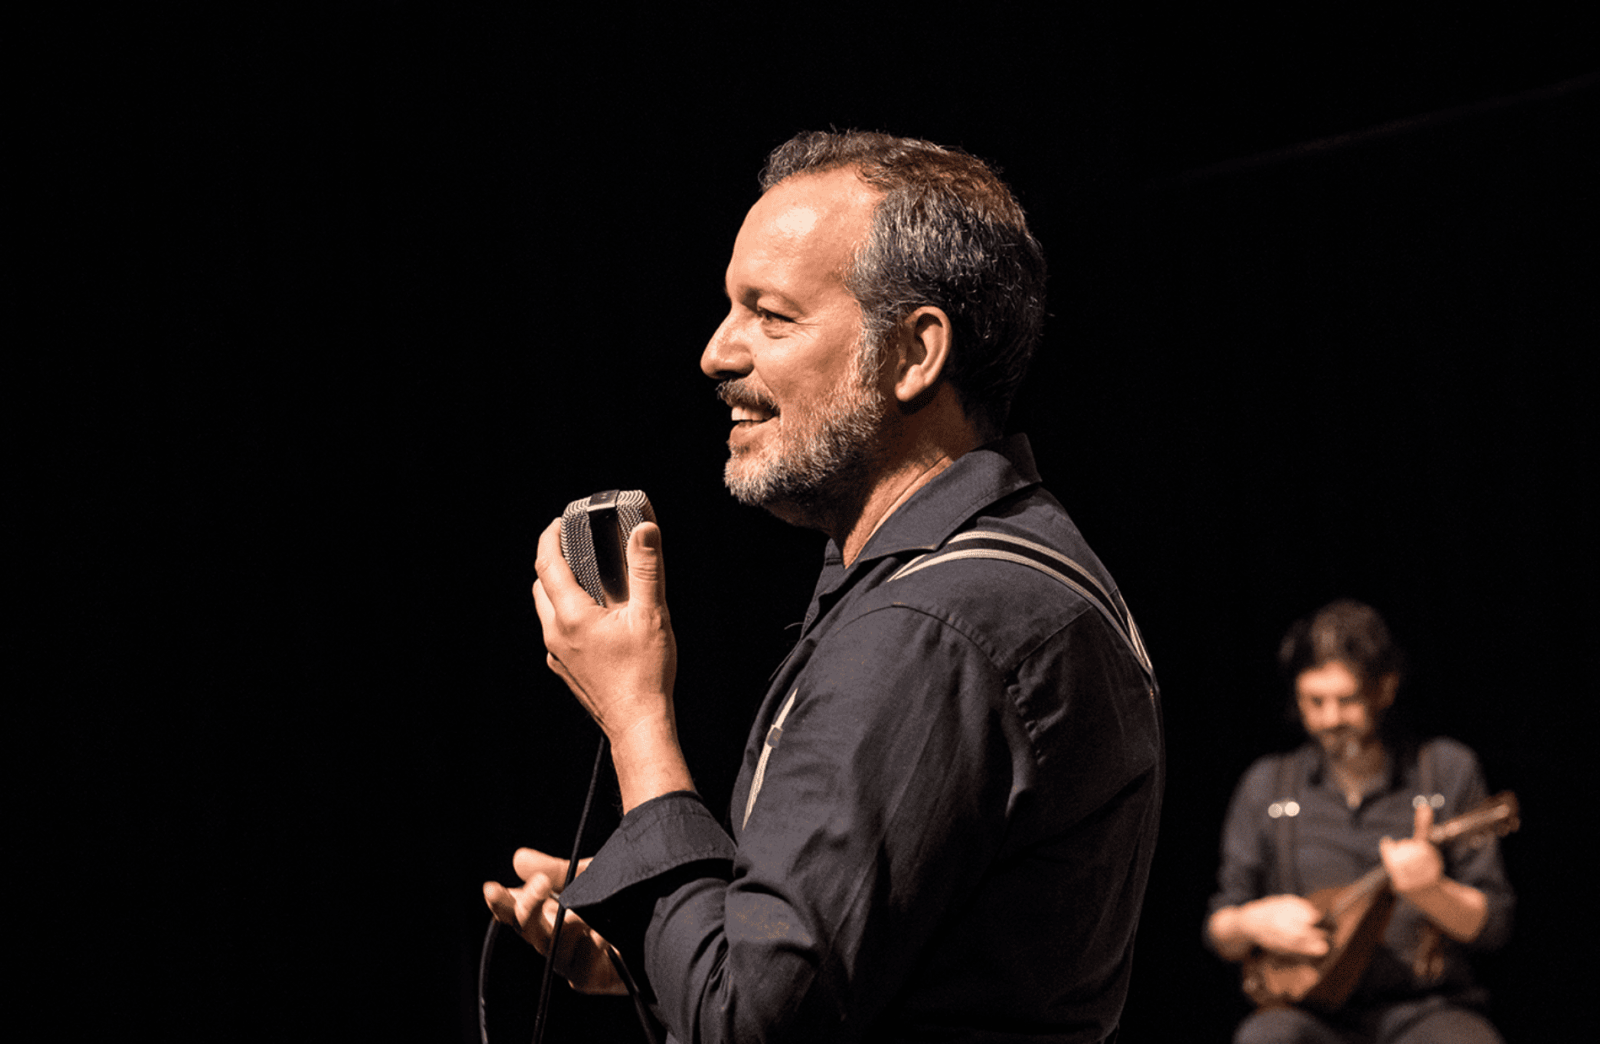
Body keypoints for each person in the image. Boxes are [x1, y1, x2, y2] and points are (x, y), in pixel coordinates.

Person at [484, 130, 1164, 1043]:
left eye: (771, 315)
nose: (717, 353)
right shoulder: (1005, 571)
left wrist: (635, 717)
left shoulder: (934, 623)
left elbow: (751, 1022)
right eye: (731, 308)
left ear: (913, 353)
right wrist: (661, 927)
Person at [1206, 600, 1514, 1044]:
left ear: (1385, 689)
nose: (1330, 719)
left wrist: (1431, 891)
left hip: (1425, 1008)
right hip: (1310, 1009)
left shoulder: (1447, 769)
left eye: (1347, 700)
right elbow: (1220, 927)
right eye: (1314, 701)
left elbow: (1494, 925)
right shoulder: (1267, 784)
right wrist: (1251, 923)